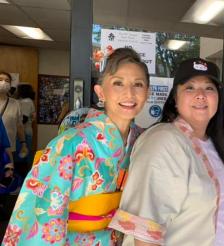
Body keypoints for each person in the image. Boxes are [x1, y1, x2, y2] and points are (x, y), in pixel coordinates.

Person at [2, 47, 149, 245]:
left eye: (138, 84)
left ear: (147, 92)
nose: (129, 93)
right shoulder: (70, 144)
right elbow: (44, 214)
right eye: (118, 83)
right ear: (100, 92)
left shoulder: (142, 142)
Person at [109, 58, 224, 245]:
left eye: (209, 88)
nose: (200, 95)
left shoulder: (213, 143)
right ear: (175, 98)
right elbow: (143, 233)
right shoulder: (163, 141)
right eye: (190, 88)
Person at [0, 71, 28, 168]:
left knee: (7, 176)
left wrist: (23, 143)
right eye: (0, 80)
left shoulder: (15, 104)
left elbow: (19, 126)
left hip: (9, 148)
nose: (3, 82)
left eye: (7, 81)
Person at [13, 83, 36, 177]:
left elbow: (23, 119)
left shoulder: (25, 102)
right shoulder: (28, 101)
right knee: (24, 157)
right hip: (26, 132)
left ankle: (20, 182)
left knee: (21, 158)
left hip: (23, 134)